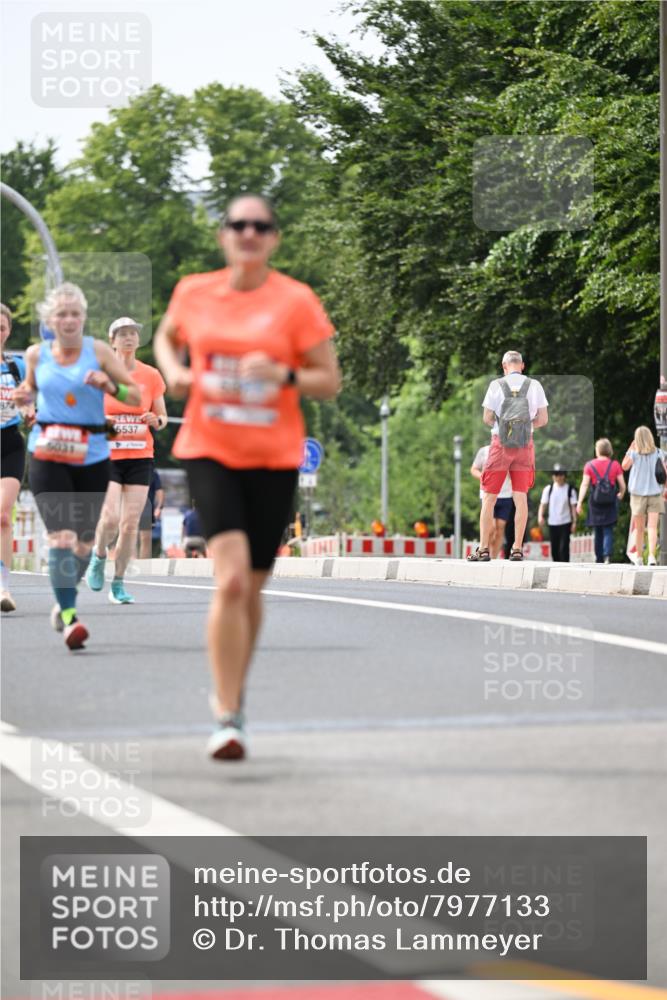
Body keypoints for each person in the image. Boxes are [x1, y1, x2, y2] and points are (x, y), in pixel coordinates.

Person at [154, 193, 340, 760]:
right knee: (230, 581)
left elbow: (328, 379)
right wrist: (175, 371)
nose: (249, 233)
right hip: (210, 448)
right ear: (224, 235)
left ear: (273, 239)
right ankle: (228, 713)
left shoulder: (295, 301)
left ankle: (234, 693)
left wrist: (283, 373)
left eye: (260, 226)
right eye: (239, 224)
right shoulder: (195, 291)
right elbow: (167, 336)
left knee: (253, 587)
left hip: (274, 455)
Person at [12, 283, 140, 649]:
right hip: (48, 452)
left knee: (84, 543)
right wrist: (24, 399)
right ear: (50, 320)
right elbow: (29, 392)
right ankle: (70, 619)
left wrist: (110, 386)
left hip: (93, 454)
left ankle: (65, 599)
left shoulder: (98, 351)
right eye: (61, 314)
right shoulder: (37, 354)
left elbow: (135, 394)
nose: (68, 320)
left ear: (83, 318)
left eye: (75, 314)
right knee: (61, 537)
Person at [86, 317, 167, 603]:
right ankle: (98, 555)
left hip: (140, 456)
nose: (129, 338)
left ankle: (118, 584)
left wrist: (154, 419)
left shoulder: (151, 375)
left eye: (133, 333)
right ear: (112, 341)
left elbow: (162, 417)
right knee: (110, 518)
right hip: (107, 456)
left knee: (130, 524)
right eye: (123, 334)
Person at [468, 350, 548, 562]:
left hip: (500, 445)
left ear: (504, 367)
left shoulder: (496, 385)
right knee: (520, 497)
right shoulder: (534, 386)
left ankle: (484, 549)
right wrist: (524, 426)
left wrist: (504, 426)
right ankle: (517, 548)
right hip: (525, 445)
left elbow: (486, 418)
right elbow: (543, 419)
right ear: (522, 365)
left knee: (489, 497)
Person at [1, 303, 30, 612]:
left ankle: (3, 588)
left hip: (10, 442)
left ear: (8, 331)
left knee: (3, 515)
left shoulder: (17, 366)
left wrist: (30, 411)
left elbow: (30, 398)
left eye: (1, 327)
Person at [621, 426, 667, 566]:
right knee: (653, 527)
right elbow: (665, 472)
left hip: (638, 495)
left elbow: (624, 466)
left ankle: (640, 558)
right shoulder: (660, 453)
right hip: (655, 493)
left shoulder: (634, 454)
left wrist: (630, 448)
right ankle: (652, 556)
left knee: (640, 528)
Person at [576, 438, 625, 564]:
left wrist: (580, 502)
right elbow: (622, 485)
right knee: (608, 528)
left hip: (595, 502)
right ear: (609, 450)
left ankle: (599, 558)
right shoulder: (615, 465)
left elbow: (585, 484)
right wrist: (621, 493)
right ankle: (607, 555)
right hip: (610, 501)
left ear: (597, 450)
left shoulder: (589, 465)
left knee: (597, 530)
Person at [470, 442, 514, 558]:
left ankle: (494, 557)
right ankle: (485, 551)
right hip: (487, 494)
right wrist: (483, 477)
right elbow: (474, 469)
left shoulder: (511, 452)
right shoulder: (484, 451)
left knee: (500, 529)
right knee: (491, 528)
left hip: (505, 495)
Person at [538, 464, 578, 562]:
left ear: (564, 476)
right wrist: (540, 516)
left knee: (564, 547)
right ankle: (556, 565)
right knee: (554, 548)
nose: (558, 477)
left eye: (560, 474)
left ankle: (566, 566)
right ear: (553, 476)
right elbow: (543, 504)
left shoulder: (570, 490)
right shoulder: (549, 489)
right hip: (553, 522)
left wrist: (574, 522)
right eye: (556, 475)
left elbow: (573, 507)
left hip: (565, 522)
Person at [139, 467, 164, 559]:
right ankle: (126, 563)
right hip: (130, 506)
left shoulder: (152, 472)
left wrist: (159, 507)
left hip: (146, 509)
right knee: (127, 536)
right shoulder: (127, 467)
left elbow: (159, 490)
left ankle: (143, 566)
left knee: (145, 539)